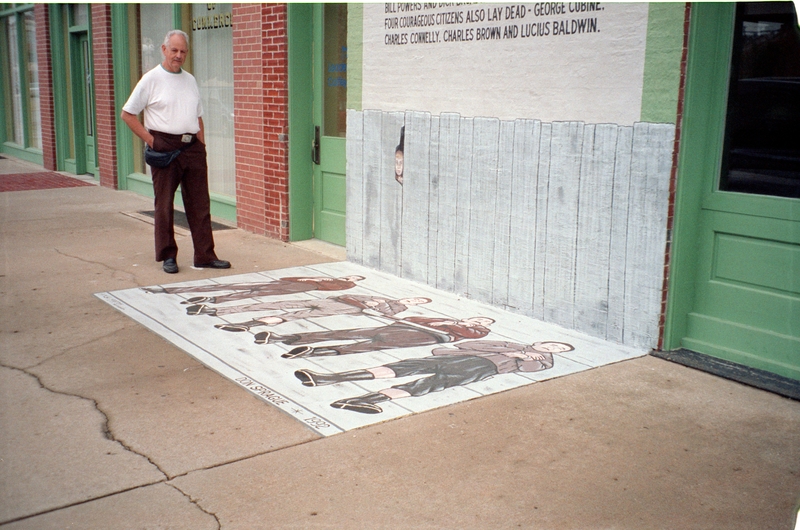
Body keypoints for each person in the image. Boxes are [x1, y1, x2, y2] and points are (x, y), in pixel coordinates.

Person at [121, 30, 230, 274]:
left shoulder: (190, 80)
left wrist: (201, 145)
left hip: (192, 148)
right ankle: (168, 255)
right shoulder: (151, 79)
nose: (178, 55)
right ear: (163, 49)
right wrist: (151, 141)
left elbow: (198, 115)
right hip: (164, 146)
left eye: (182, 52)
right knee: (164, 204)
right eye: (174, 50)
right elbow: (127, 114)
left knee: (200, 204)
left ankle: (205, 255)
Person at [293, 340, 575, 414]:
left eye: (559, 349)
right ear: (545, 341)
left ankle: (362, 400)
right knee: (403, 366)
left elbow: (528, 369)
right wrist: (515, 351)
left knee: (426, 385)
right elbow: (466, 346)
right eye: (553, 345)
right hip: (455, 356)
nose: (553, 350)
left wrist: (523, 360)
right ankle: (330, 379)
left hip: (481, 368)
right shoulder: (510, 345)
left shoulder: (543, 362)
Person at [260, 316, 495, 357]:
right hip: (404, 327)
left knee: (371, 346)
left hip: (426, 337)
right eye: (480, 319)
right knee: (348, 333)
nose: (480, 322)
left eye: (484, 322)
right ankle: (286, 339)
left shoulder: (478, 331)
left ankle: (319, 351)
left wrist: (447, 325)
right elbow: (415, 318)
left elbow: (459, 334)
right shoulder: (449, 322)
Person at [142, 275, 365, 304]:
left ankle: (212, 300)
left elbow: (327, 289)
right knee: (244, 286)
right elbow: (293, 276)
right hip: (290, 283)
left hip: (295, 289)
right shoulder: (328, 278)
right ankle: (170, 292)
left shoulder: (345, 285)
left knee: (254, 293)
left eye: (355, 278)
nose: (351, 277)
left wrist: (315, 283)